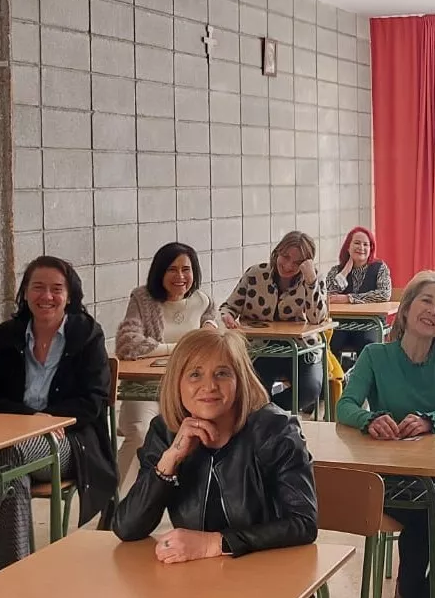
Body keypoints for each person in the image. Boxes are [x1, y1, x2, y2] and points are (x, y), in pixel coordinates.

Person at [0, 256, 117, 594]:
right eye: (38, 287)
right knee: (11, 475)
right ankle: (16, 581)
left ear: (69, 295)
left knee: (4, 456)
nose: (47, 296)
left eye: (56, 289)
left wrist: (49, 422)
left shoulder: (87, 335)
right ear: (25, 294)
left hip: (70, 444)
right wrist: (31, 420)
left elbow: (93, 400)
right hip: (15, 443)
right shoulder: (8, 335)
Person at [112, 327, 318, 562]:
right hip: (200, 578)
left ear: (240, 381)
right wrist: (169, 462)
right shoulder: (166, 432)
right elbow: (127, 527)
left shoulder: (274, 429)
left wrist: (216, 543)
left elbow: (304, 523)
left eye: (222, 373)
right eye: (195, 375)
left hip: (269, 575)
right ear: (177, 383)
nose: (209, 386)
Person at [336, 270, 435, 598]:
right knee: (424, 513)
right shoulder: (375, 355)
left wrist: (431, 420)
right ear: (406, 308)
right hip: (393, 470)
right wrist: (369, 419)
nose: (433, 312)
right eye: (426, 301)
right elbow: (345, 406)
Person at [114, 242, 218, 485]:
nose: (180, 277)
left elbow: (211, 324)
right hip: (144, 388)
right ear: (159, 271)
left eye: (186, 269)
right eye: (172, 269)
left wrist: (210, 327)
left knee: (203, 433)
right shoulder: (142, 298)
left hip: (186, 391)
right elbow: (128, 344)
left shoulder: (202, 300)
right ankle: (117, 502)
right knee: (140, 433)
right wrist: (181, 348)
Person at [220, 231, 329, 413]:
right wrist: (227, 317)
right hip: (260, 348)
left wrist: (311, 282)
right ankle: (262, 413)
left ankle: (267, 412)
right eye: (285, 257)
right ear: (277, 251)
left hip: (301, 348)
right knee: (253, 391)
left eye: (296, 262)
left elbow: (317, 319)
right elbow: (228, 306)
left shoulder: (314, 278)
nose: (287, 266)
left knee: (310, 389)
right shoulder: (256, 274)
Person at [325, 226, 393, 359]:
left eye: (366, 244)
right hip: (341, 323)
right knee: (329, 343)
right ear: (348, 247)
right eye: (356, 243)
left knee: (369, 345)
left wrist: (349, 298)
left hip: (370, 323)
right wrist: (344, 272)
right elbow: (327, 296)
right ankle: (337, 379)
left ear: (371, 249)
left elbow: (384, 293)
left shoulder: (380, 267)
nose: (361, 247)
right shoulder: (336, 270)